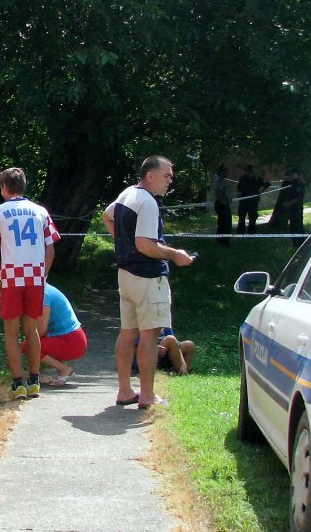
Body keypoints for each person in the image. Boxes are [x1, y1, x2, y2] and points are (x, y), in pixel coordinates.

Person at [103, 155, 194, 409]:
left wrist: (124, 244)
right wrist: (175, 254)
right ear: (150, 175)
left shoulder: (127, 194)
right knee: (149, 337)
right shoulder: (148, 202)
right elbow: (146, 244)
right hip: (148, 278)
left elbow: (107, 216)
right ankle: (147, 395)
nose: (170, 180)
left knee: (127, 333)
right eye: (167, 175)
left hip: (126, 275)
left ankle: (124, 391)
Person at [0, 167, 61, 401]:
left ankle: (18, 384)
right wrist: (43, 274)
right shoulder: (41, 211)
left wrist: (0, 278)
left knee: (11, 333)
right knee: (32, 330)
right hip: (36, 277)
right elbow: (51, 249)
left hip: (11, 277)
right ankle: (35, 380)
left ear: (4, 187)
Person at [22, 283, 87, 386]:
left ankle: (64, 369)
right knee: (33, 342)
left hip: (72, 341)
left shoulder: (44, 294)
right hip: (71, 338)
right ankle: (63, 369)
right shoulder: (43, 288)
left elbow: (41, 329)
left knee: (28, 346)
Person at [236, 164, 270, 235]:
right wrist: (238, 195)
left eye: (247, 171)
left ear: (251, 171)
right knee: (241, 217)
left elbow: (266, 185)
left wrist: (260, 192)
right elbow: (239, 188)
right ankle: (240, 233)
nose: (246, 172)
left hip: (253, 202)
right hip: (244, 201)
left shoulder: (257, 179)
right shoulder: (243, 178)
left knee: (252, 218)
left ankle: (251, 232)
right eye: (245, 171)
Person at [284, 168, 306, 247]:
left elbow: (297, 198)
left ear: (298, 174)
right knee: (292, 226)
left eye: (294, 173)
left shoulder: (300, 183)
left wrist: (288, 203)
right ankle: (295, 243)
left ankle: (301, 243)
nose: (292, 175)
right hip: (292, 208)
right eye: (292, 173)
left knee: (298, 226)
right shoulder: (293, 183)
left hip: (297, 208)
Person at [212, 164, 232, 245]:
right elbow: (217, 192)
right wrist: (222, 201)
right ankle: (222, 241)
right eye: (225, 171)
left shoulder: (222, 180)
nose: (226, 173)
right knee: (224, 223)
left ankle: (225, 239)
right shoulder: (219, 180)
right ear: (221, 172)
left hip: (225, 203)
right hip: (221, 204)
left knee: (226, 222)